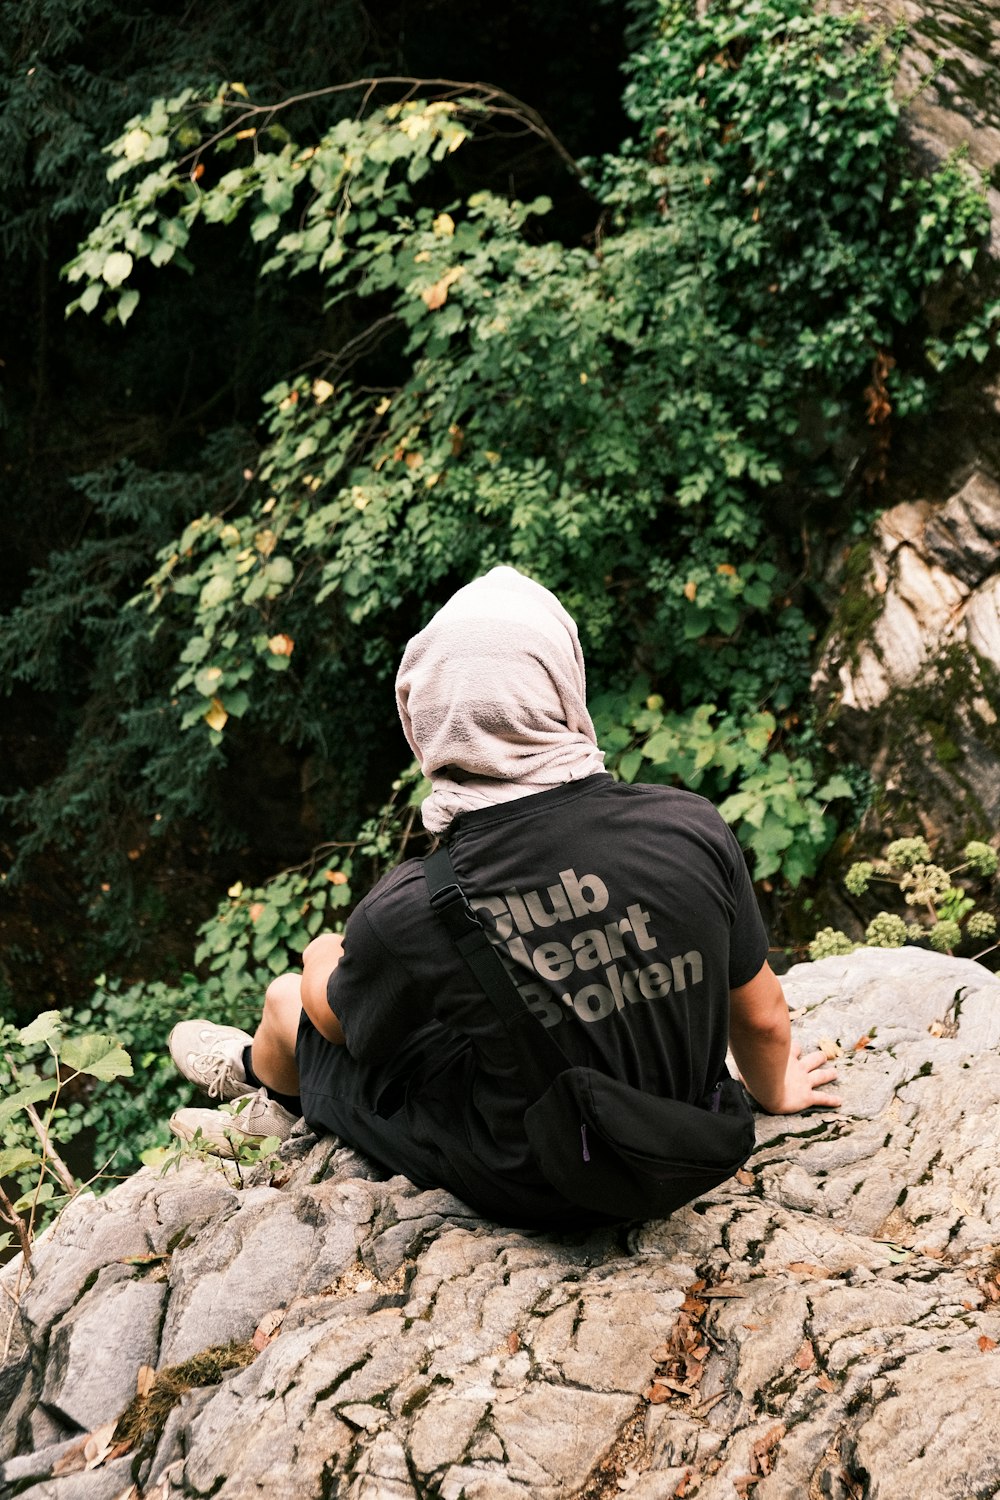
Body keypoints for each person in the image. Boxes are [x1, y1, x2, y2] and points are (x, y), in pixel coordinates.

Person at [169, 566, 839, 1226]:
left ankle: (261, 1086)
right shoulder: (690, 826)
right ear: (562, 686)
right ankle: (260, 1084)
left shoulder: (413, 904)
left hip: (543, 1180)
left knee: (288, 1002)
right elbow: (763, 1018)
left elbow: (341, 1025)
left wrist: (323, 956)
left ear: (422, 718)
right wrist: (775, 1091)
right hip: (692, 1144)